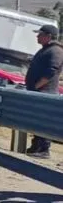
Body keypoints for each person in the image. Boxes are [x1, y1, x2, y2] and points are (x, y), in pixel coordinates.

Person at [24, 24, 63, 157]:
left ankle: (43, 149)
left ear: (48, 36)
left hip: (46, 92)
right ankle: (36, 146)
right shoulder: (46, 49)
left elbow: (51, 71)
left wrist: (37, 86)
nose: (37, 36)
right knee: (36, 120)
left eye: (40, 34)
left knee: (43, 120)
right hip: (38, 91)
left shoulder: (56, 51)